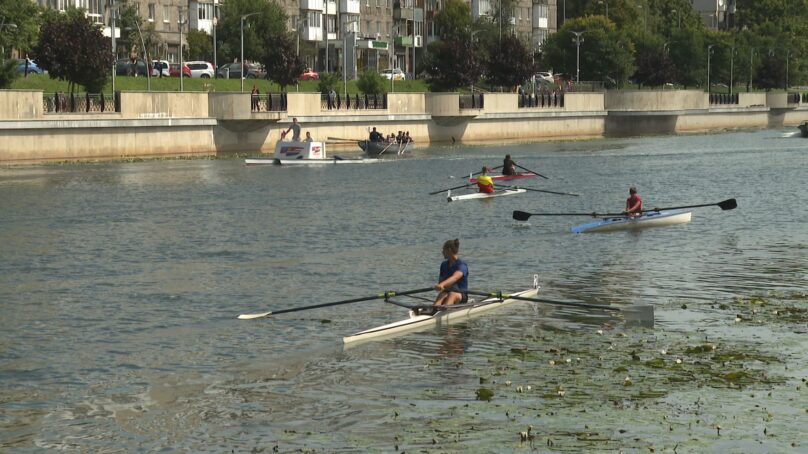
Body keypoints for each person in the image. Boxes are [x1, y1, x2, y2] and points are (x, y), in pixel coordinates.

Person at [433, 239, 469, 309]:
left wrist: (442, 285)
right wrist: (440, 285)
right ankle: (434, 310)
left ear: (449, 250)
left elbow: (455, 277)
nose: (442, 252)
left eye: (443, 250)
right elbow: (440, 282)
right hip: (447, 292)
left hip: (461, 295)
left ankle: (445, 311)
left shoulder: (461, 265)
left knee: (452, 294)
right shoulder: (444, 265)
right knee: (442, 294)